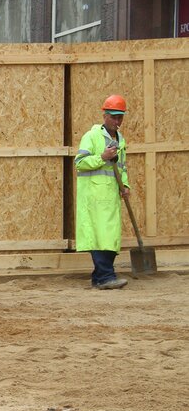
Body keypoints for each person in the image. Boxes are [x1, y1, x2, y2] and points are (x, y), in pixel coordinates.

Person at [75, 94, 130, 290]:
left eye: (120, 117)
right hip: (94, 196)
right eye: (114, 116)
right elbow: (79, 163)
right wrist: (102, 157)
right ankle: (106, 277)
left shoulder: (120, 140)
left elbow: (121, 167)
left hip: (111, 196)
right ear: (105, 116)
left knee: (111, 237)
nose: (117, 121)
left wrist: (125, 186)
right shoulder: (91, 137)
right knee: (101, 237)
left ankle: (100, 278)